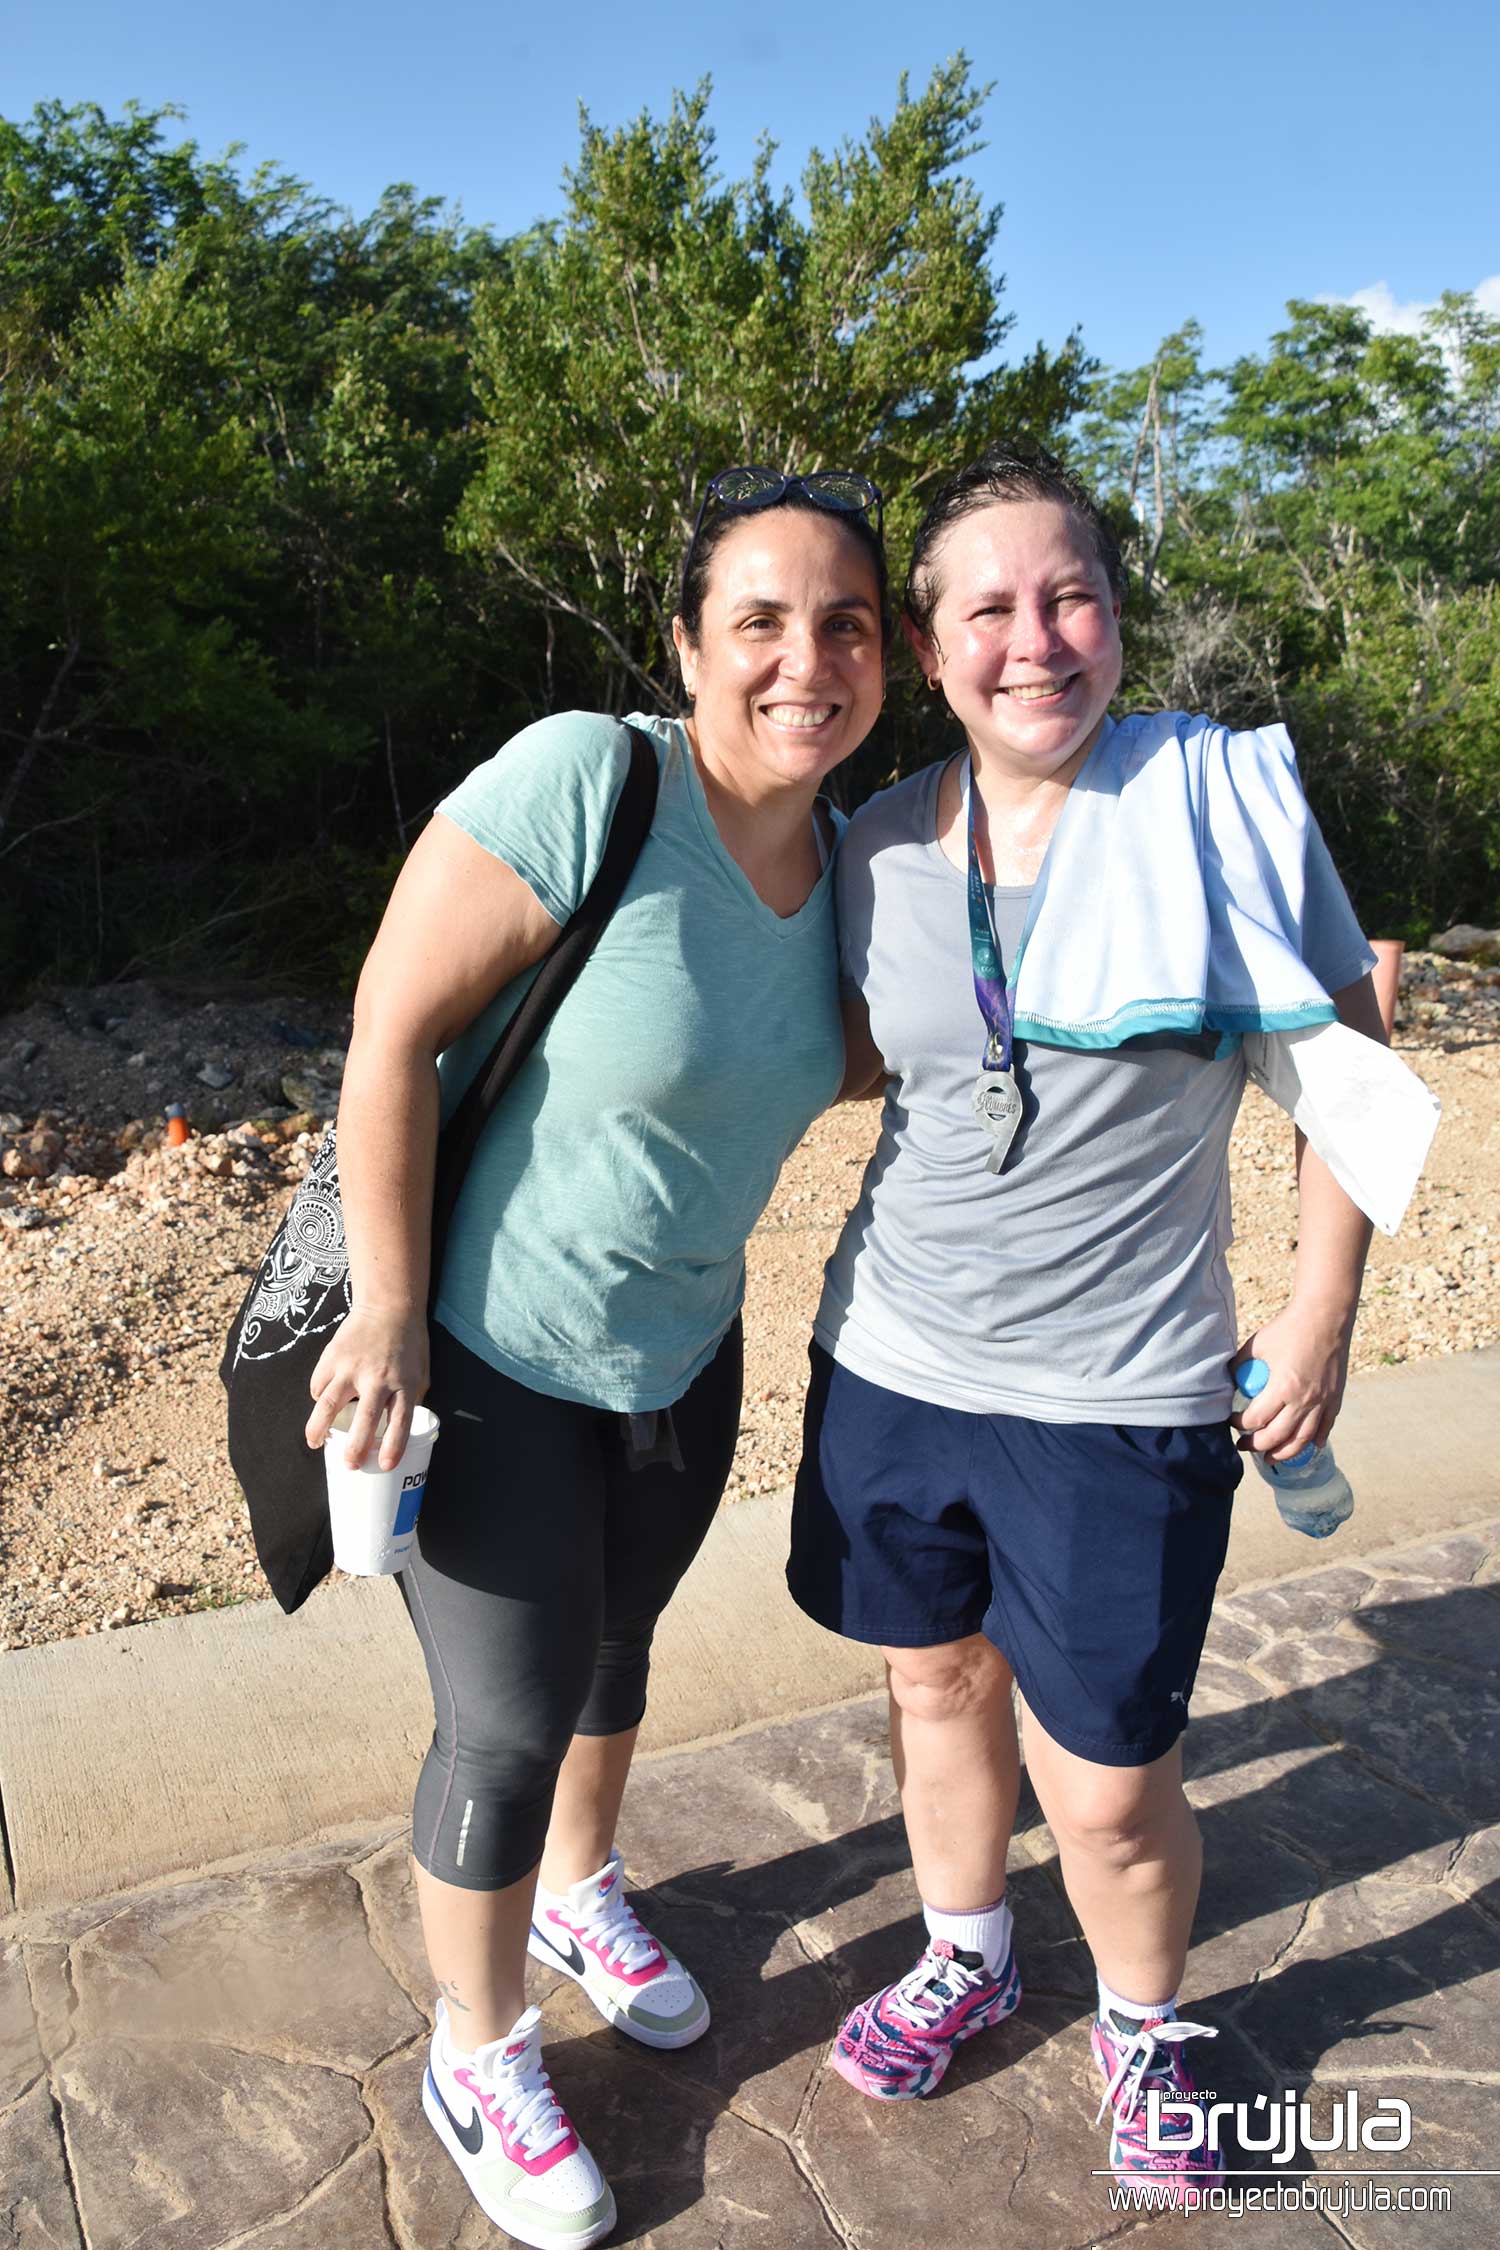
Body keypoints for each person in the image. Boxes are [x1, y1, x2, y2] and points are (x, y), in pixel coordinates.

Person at [787, 446, 1389, 2197]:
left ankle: (1144, 2026)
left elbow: (1345, 1061)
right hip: (891, 1359)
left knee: (1113, 1779)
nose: (1036, 641)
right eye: (990, 606)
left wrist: (1321, 1299)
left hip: (1119, 1391)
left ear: (1118, 617)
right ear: (926, 637)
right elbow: (840, 1068)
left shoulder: (1214, 797)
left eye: (1073, 598)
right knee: (933, 1687)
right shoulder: (884, 842)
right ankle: (968, 1949)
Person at [304, 466, 887, 2250]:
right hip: (485, 1347)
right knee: (506, 1709)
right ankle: (473, 2046)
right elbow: (391, 1030)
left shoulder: (856, 866)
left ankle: (579, 1888)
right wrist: (389, 1304)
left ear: (891, 658)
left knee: (618, 1652)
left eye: (847, 624)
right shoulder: (596, 777)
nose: (808, 660)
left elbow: (880, 1054)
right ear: (691, 643)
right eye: (763, 622)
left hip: (678, 1357)